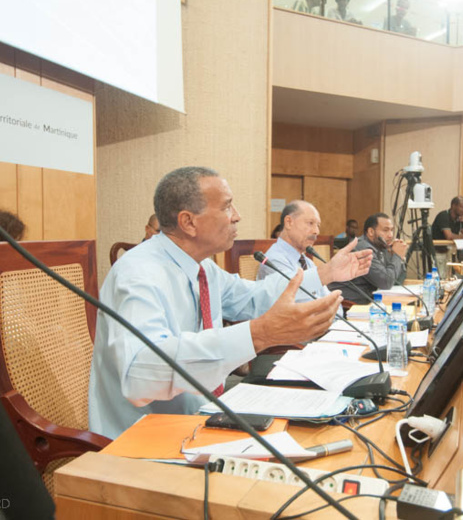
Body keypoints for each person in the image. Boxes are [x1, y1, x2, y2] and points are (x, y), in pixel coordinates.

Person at [88, 167, 372, 439]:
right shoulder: (138, 272)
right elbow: (141, 373)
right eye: (227, 207)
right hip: (144, 441)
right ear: (188, 222)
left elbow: (253, 297)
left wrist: (326, 272)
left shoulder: (202, 268)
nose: (237, 216)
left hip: (202, 420)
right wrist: (261, 334)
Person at [257, 201, 340, 307]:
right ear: (288, 222)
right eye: (310, 223)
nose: (316, 231)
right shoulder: (274, 261)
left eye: (318, 225)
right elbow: (302, 308)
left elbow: (331, 300)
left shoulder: (307, 262)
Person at [329, 212, 407, 304]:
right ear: (371, 232)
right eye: (385, 230)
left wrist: (399, 258)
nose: (390, 235)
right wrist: (397, 256)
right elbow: (386, 282)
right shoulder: (363, 249)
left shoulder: (381, 247)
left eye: (391, 230)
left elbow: (396, 281)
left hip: (367, 300)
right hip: (348, 304)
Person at [431, 196, 463, 278]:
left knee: (449, 277)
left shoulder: (460, 219)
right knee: (440, 277)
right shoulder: (443, 216)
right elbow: (449, 236)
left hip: (448, 252)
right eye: (461, 207)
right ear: (453, 206)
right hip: (437, 252)